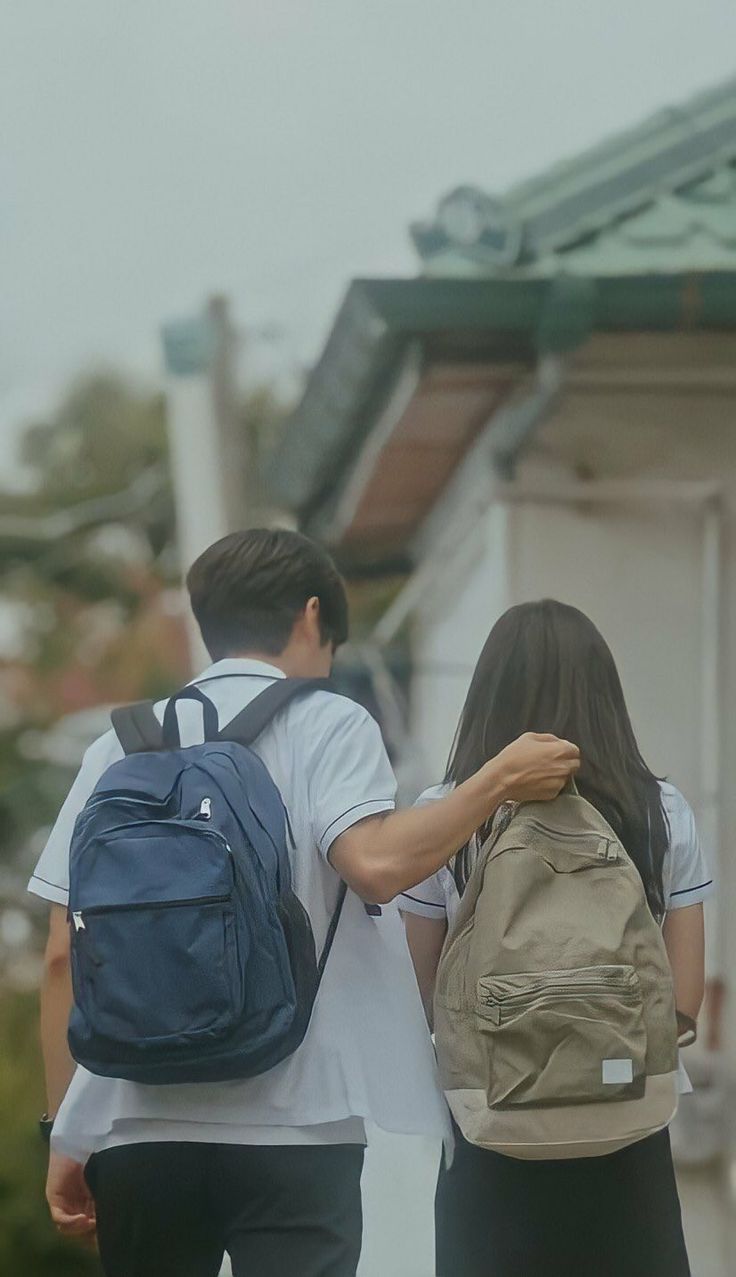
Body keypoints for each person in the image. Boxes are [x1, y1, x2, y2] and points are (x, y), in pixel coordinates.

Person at [32, 530, 579, 1277]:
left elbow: (64, 953)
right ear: (311, 616)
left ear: (207, 620)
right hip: (300, 1123)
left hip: (137, 1126)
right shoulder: (329, 720)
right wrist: (498, 779)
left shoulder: (118, 746)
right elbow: (378, 864)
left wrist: (65, 1130)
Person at [401, 600, 712, 1277]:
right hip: (627, 1120)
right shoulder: (661, 811)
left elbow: (419, 990)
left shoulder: (444, 814)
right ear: (604, 694)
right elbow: (683, 1001)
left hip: (490, 1123)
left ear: (489, 694)